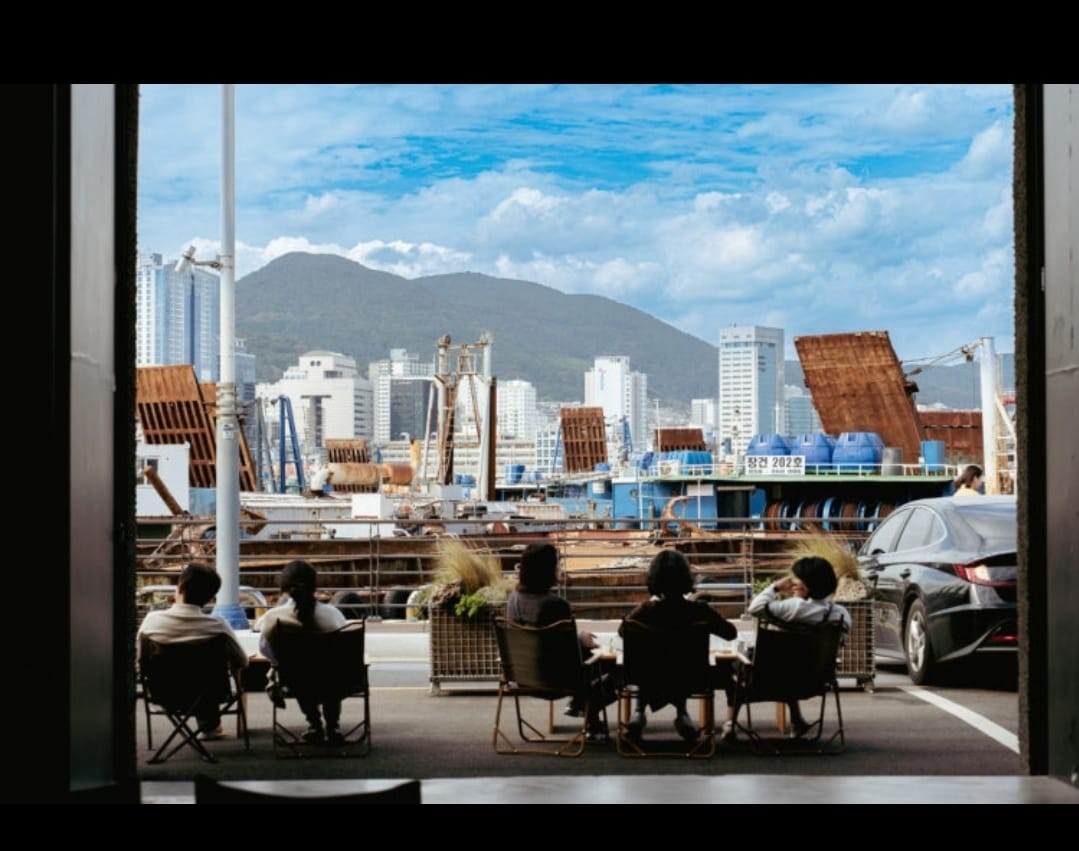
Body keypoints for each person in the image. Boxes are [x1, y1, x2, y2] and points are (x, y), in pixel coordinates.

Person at [619, 549, 738, 743]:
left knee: (657, 663)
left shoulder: (644, 611)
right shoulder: (700, 611)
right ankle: (687, 715)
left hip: (649, 677)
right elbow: (730, 633)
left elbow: (623, 631)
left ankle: (639, 711)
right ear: (686, 577)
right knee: (725, 669)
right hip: (693, 676)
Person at [505, 542, 615, 742]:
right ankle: (585, 708)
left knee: (591, 663)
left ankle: (585, 711)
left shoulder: (513, 600)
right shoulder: (556, 605)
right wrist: (581, 640)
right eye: (557, 565)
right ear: (547, 571)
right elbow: (569, 654)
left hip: (522, 677)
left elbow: (550, 642)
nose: (559, 569)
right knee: (613, 668)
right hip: (556, 680)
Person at [136, 561, 250, 739]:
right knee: (203, 678)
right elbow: (242, 661)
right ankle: (210, 727)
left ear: (179, 588)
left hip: (163, 694)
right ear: (210, 598)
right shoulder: (218, 626)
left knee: (185, 675)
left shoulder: (152, 622)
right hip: (209, 694)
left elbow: (140, 662)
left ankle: (208, 727)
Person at [743, 555, 851, 739]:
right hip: (816, 679)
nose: (792, 581)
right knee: (796, 661)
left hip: (772, 678)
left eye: (797, 578)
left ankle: (730, 723)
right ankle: (796, 720)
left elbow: (755, 608)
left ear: (806, 585)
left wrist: (775, 587)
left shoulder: (789, 608)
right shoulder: (840, 614)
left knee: (748, 665)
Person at [256, 560, 348, 745]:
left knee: (299, 673)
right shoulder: (333, 615)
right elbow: (344, 648)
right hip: (335, 681)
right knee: (328, 673)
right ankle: (333, 726)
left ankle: (314, 724)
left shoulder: (273, 617)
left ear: (284, 588)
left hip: (295, 682)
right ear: (315, 585)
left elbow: (266, 650)